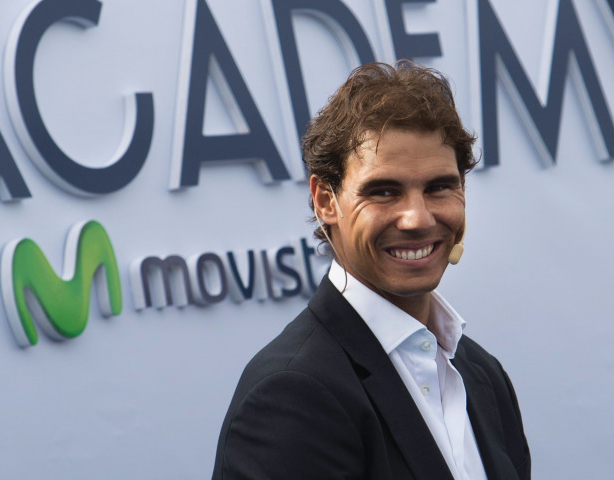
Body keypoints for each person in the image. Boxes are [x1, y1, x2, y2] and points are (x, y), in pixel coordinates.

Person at [212, 61, 530, 480]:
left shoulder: (481, 375)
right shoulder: (290, 396)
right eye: (383, 191)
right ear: (325, 201)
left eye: (438, 187)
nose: (416, 218)